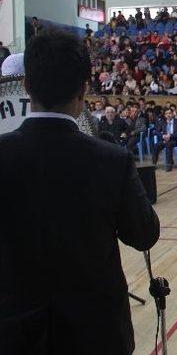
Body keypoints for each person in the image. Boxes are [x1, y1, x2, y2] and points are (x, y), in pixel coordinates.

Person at [0, 30, 159, 354]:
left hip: (16, 333)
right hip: (97, 332)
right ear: (84, 89)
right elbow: (145, 234)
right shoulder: (112, 159)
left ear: (26, 85)